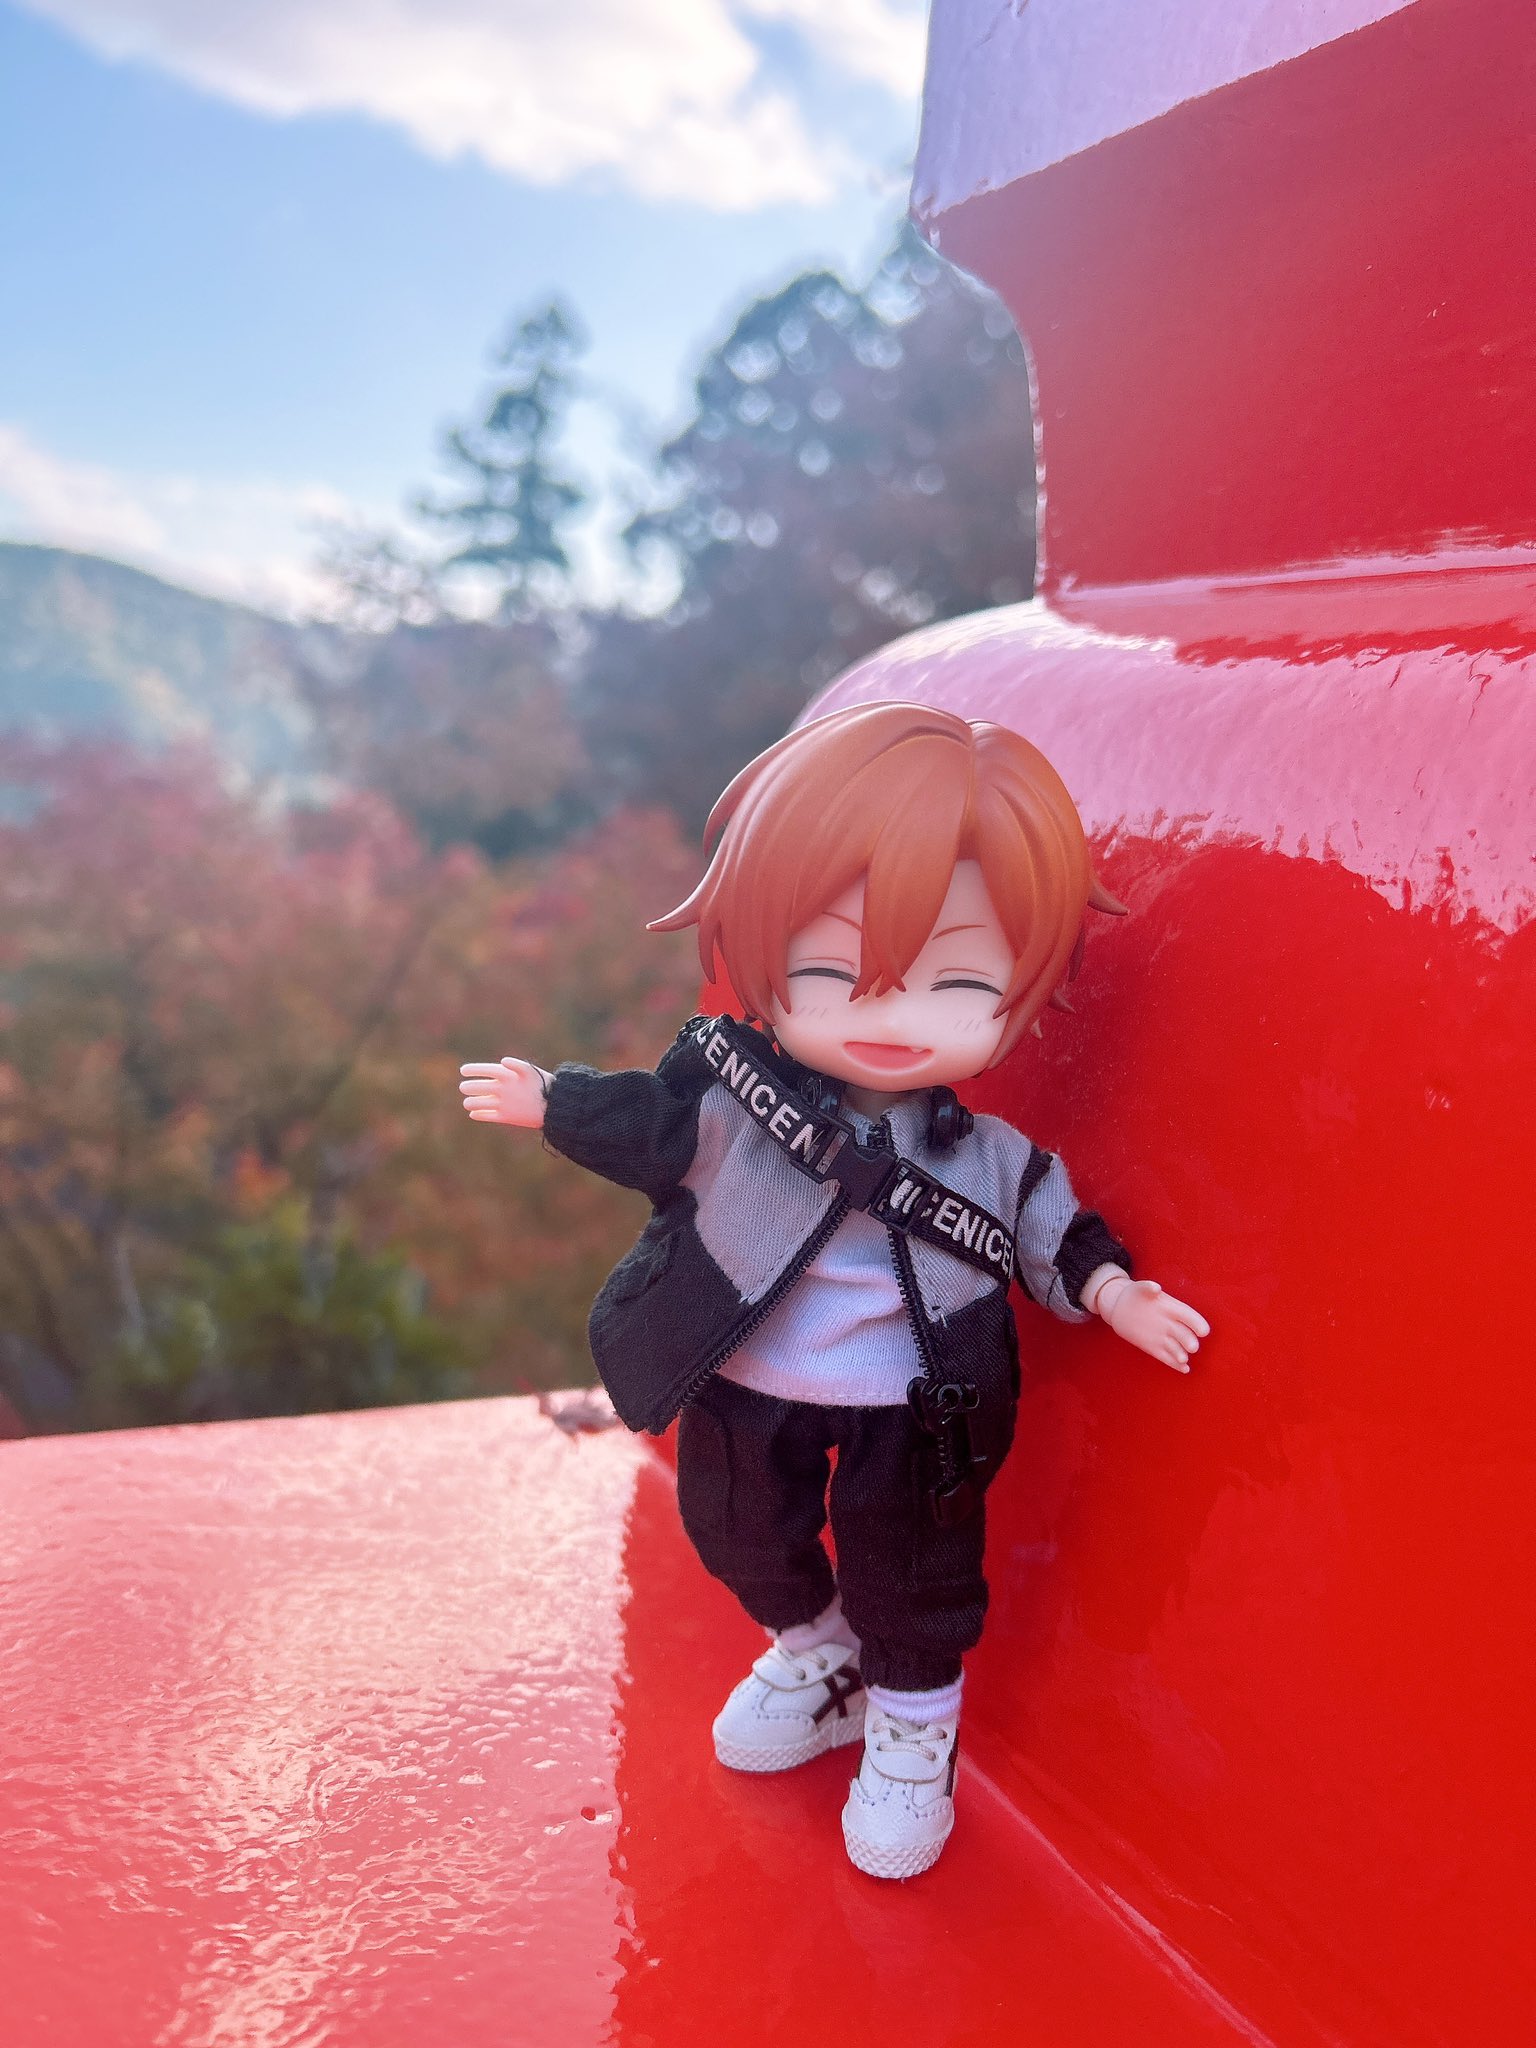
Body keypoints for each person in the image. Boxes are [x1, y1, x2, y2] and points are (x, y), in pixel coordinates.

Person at [459, 701, 1208, 1880]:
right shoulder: (739, 1110)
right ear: (762, 959)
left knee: (913, 1576)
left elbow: (1047, 1225)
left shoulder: (984, 1153)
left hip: (917, 1407)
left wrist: (1112, 1290)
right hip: (746, 1377)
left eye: (959, 980)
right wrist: (556, 1102)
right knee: (736, 1531)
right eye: (832, 969)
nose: (894, 1014)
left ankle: (912, 1732)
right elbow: (659, 1128)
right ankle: (820, 1653)